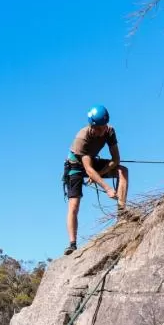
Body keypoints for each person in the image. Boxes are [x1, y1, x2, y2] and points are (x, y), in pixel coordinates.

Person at [63, 104, 129, 255]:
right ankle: (72, 244)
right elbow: (88, 169)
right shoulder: (82, 138)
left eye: (104, 126)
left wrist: (102, 172)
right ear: (91, 126)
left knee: (123, 171)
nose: (102, 131)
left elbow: (116, 159)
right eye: (98, 128)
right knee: (74, 205)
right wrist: (107, 188)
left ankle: (122, 213)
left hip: (92, 162)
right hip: (75, 167)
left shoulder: (109, 131)